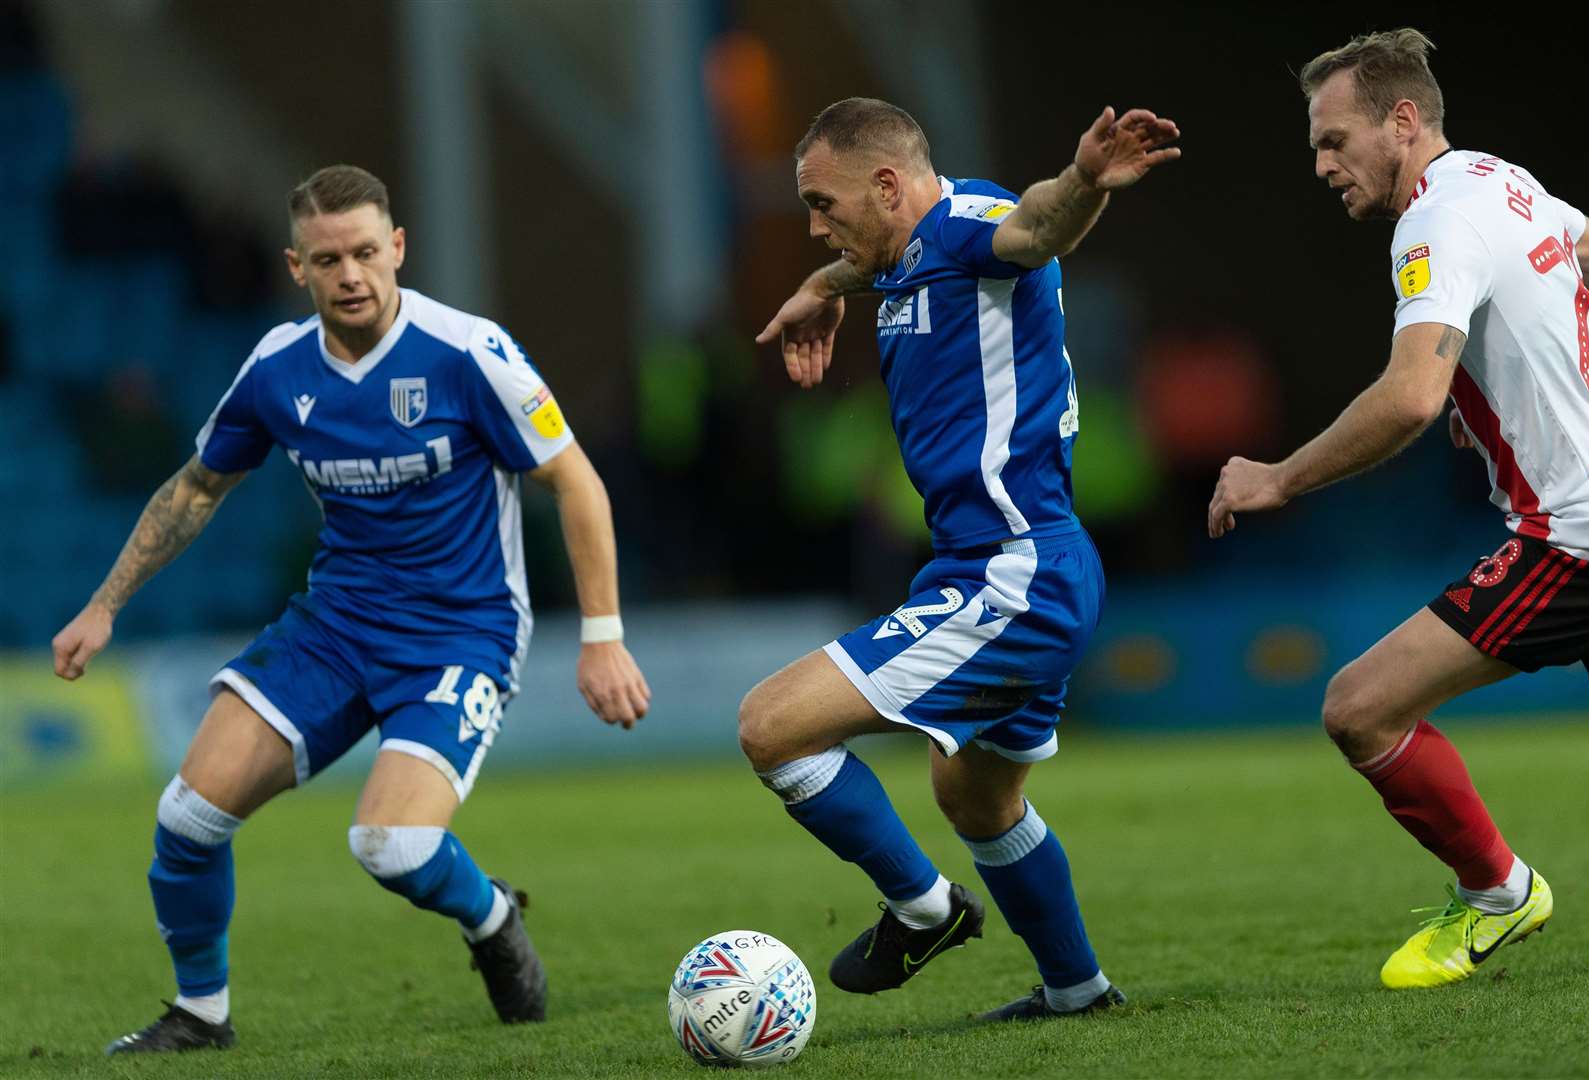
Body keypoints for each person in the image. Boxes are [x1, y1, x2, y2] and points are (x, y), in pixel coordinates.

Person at [1206, 28, 1589, 987]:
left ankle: (1498, 895)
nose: (1321, 165)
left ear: (1403, 121)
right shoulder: (1498, 179)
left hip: (1587, 525)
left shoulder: (1433, 224)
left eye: (1334, 140)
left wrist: (1280, 476)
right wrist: (1533, 387)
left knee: (1358, 709)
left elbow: (1410, 396)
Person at [51, 165, 653, 1054]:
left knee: (392, 849)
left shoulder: (467, 352)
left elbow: (575, 481)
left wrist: (603, 637)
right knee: (185, 819)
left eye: (367, 253)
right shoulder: (277, 369)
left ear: (398, 247)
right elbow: (195, 488)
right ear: (298, 266)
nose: (352, 275)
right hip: (333, 628)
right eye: (328, 259)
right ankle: (200, 1016)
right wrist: (103, 607)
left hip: (461, 634)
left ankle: (489, 917)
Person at [743, 98, 1177, 1019]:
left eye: (824, 203)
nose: (816, 225)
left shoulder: (974, 223)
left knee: (772, 728)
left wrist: (1086, 182)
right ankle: (1076, 991)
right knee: (976, 799)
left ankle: (923, 908)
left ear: (889, 184)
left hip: (1011, 573)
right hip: (1020, 566)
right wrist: (825, 284)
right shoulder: (916, 249)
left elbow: (1034, 226)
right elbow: (906, 258)